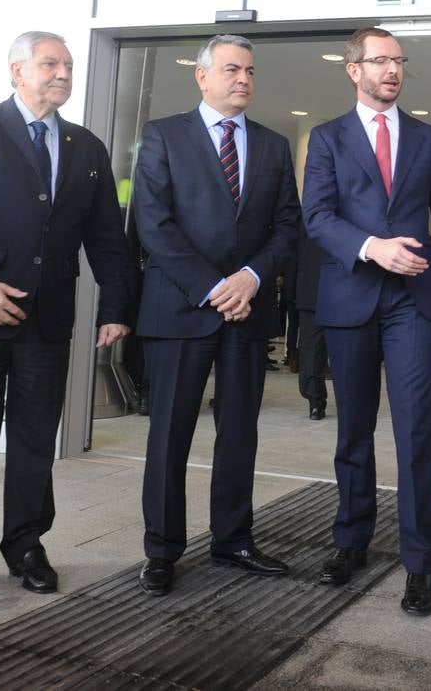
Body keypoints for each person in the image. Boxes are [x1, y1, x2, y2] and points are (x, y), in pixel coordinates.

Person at [0, 31, 137, 605]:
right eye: (49, 63)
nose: (63, 72)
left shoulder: (86, 146)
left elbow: (106, 238)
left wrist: (115, 307)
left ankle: (27, 547)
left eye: (68, 64)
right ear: (17, 72)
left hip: (47, 322)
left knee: (37, 441)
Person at [302, 26, 431, 617]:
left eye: (398, 60)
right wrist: (371, 246)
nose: (392, 69)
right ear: (353, 70)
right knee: (353, 431)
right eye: (380, 60)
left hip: (413, 299)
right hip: (353, 295)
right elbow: (317, 216)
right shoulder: (327, 138)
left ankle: (420, 564)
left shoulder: (426, 137)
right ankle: (352, 541)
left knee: (415, 431)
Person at [131, 34, 300, 597]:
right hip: (180, 309)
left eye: (250, 71)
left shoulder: (275, 147)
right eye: (231, 69)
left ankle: (233, 540)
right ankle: (162, 550)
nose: (243, 79)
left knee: (239, 436)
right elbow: (153, 224)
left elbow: (287, 227)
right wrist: (212, 287)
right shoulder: (162, 136)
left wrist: (250, 278)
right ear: (201, 77)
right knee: (169, 436)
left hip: (247, 314)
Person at [294, 232, 330, 420]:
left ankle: (351, 401)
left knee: (348, 351)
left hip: (346, 289)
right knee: (311, 352)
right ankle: (315, 401)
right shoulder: (305, 215)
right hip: (310, 290)